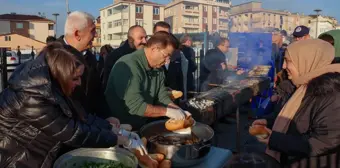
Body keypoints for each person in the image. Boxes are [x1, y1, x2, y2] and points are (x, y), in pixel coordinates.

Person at [0, 42, 146, 168]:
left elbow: (81, 117)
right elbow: (73, 132)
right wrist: (121, 140)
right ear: (61, 74)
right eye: (75, 78)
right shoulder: (31, 96)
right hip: (17, 160)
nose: (79, 83)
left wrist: (114, 130)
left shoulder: (52, 84)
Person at [251, 39, 340, 167]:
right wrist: (269, 122)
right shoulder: (301, 86)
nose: (283, 67)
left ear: (306, 61)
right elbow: (295, 118)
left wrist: (274, 139)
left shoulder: (332, 93)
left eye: (288, 61)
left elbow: (323, 143)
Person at [104, 32, 191, 130]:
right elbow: (135, 106)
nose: (167, 61)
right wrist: (167, 111)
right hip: (120, 127)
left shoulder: (158, 68)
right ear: (154, 49)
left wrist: (179, 111)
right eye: (166, 55)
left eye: (169, 57)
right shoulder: (129, 65)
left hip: (142, 123)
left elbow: (162, 97)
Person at [58, 11, 102, 116]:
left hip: (90, 124)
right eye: (92, 31)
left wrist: (108, 117)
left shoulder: (90, 58)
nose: (96, 35)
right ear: (77, 34)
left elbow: (97, 92)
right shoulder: (52, 58)